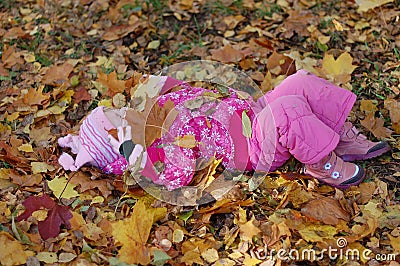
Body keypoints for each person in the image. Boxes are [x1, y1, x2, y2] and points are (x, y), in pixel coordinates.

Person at [58, 70, 391, 190]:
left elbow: (190, 93)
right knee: (286, 113)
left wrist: (164, 85)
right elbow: (176, 176)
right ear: (122, 143)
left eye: (118, 110)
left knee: (298, 83)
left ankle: (338, 135)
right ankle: (321, 162)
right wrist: (137, 149)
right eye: (118, 121)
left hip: (250, 110)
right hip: (252, 144)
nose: (125, 111)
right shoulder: (156, 150)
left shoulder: (156, 110)